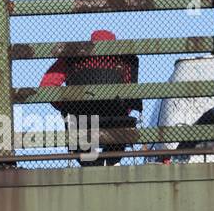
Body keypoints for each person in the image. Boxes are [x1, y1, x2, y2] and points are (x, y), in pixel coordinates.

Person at [39, 29, 141, 166]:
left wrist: (66, 106)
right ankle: (110, 162)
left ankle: (92, 165)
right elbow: (130, 94)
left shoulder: (73, 56)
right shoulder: (125, 59)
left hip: (80, 118)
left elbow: (47, 85)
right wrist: (123, 110)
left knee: (79, 137)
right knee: (118, 133)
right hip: (116, 118)